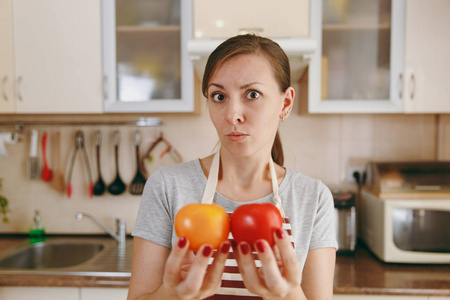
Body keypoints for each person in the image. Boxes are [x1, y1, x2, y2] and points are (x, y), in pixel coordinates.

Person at [128, 34, 337, 300]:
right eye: (219, 96)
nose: (232, 114)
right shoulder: (167, 186)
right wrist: (171, 294)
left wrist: (289, 294)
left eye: (252, 94)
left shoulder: (314, 199)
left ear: (285, 103)